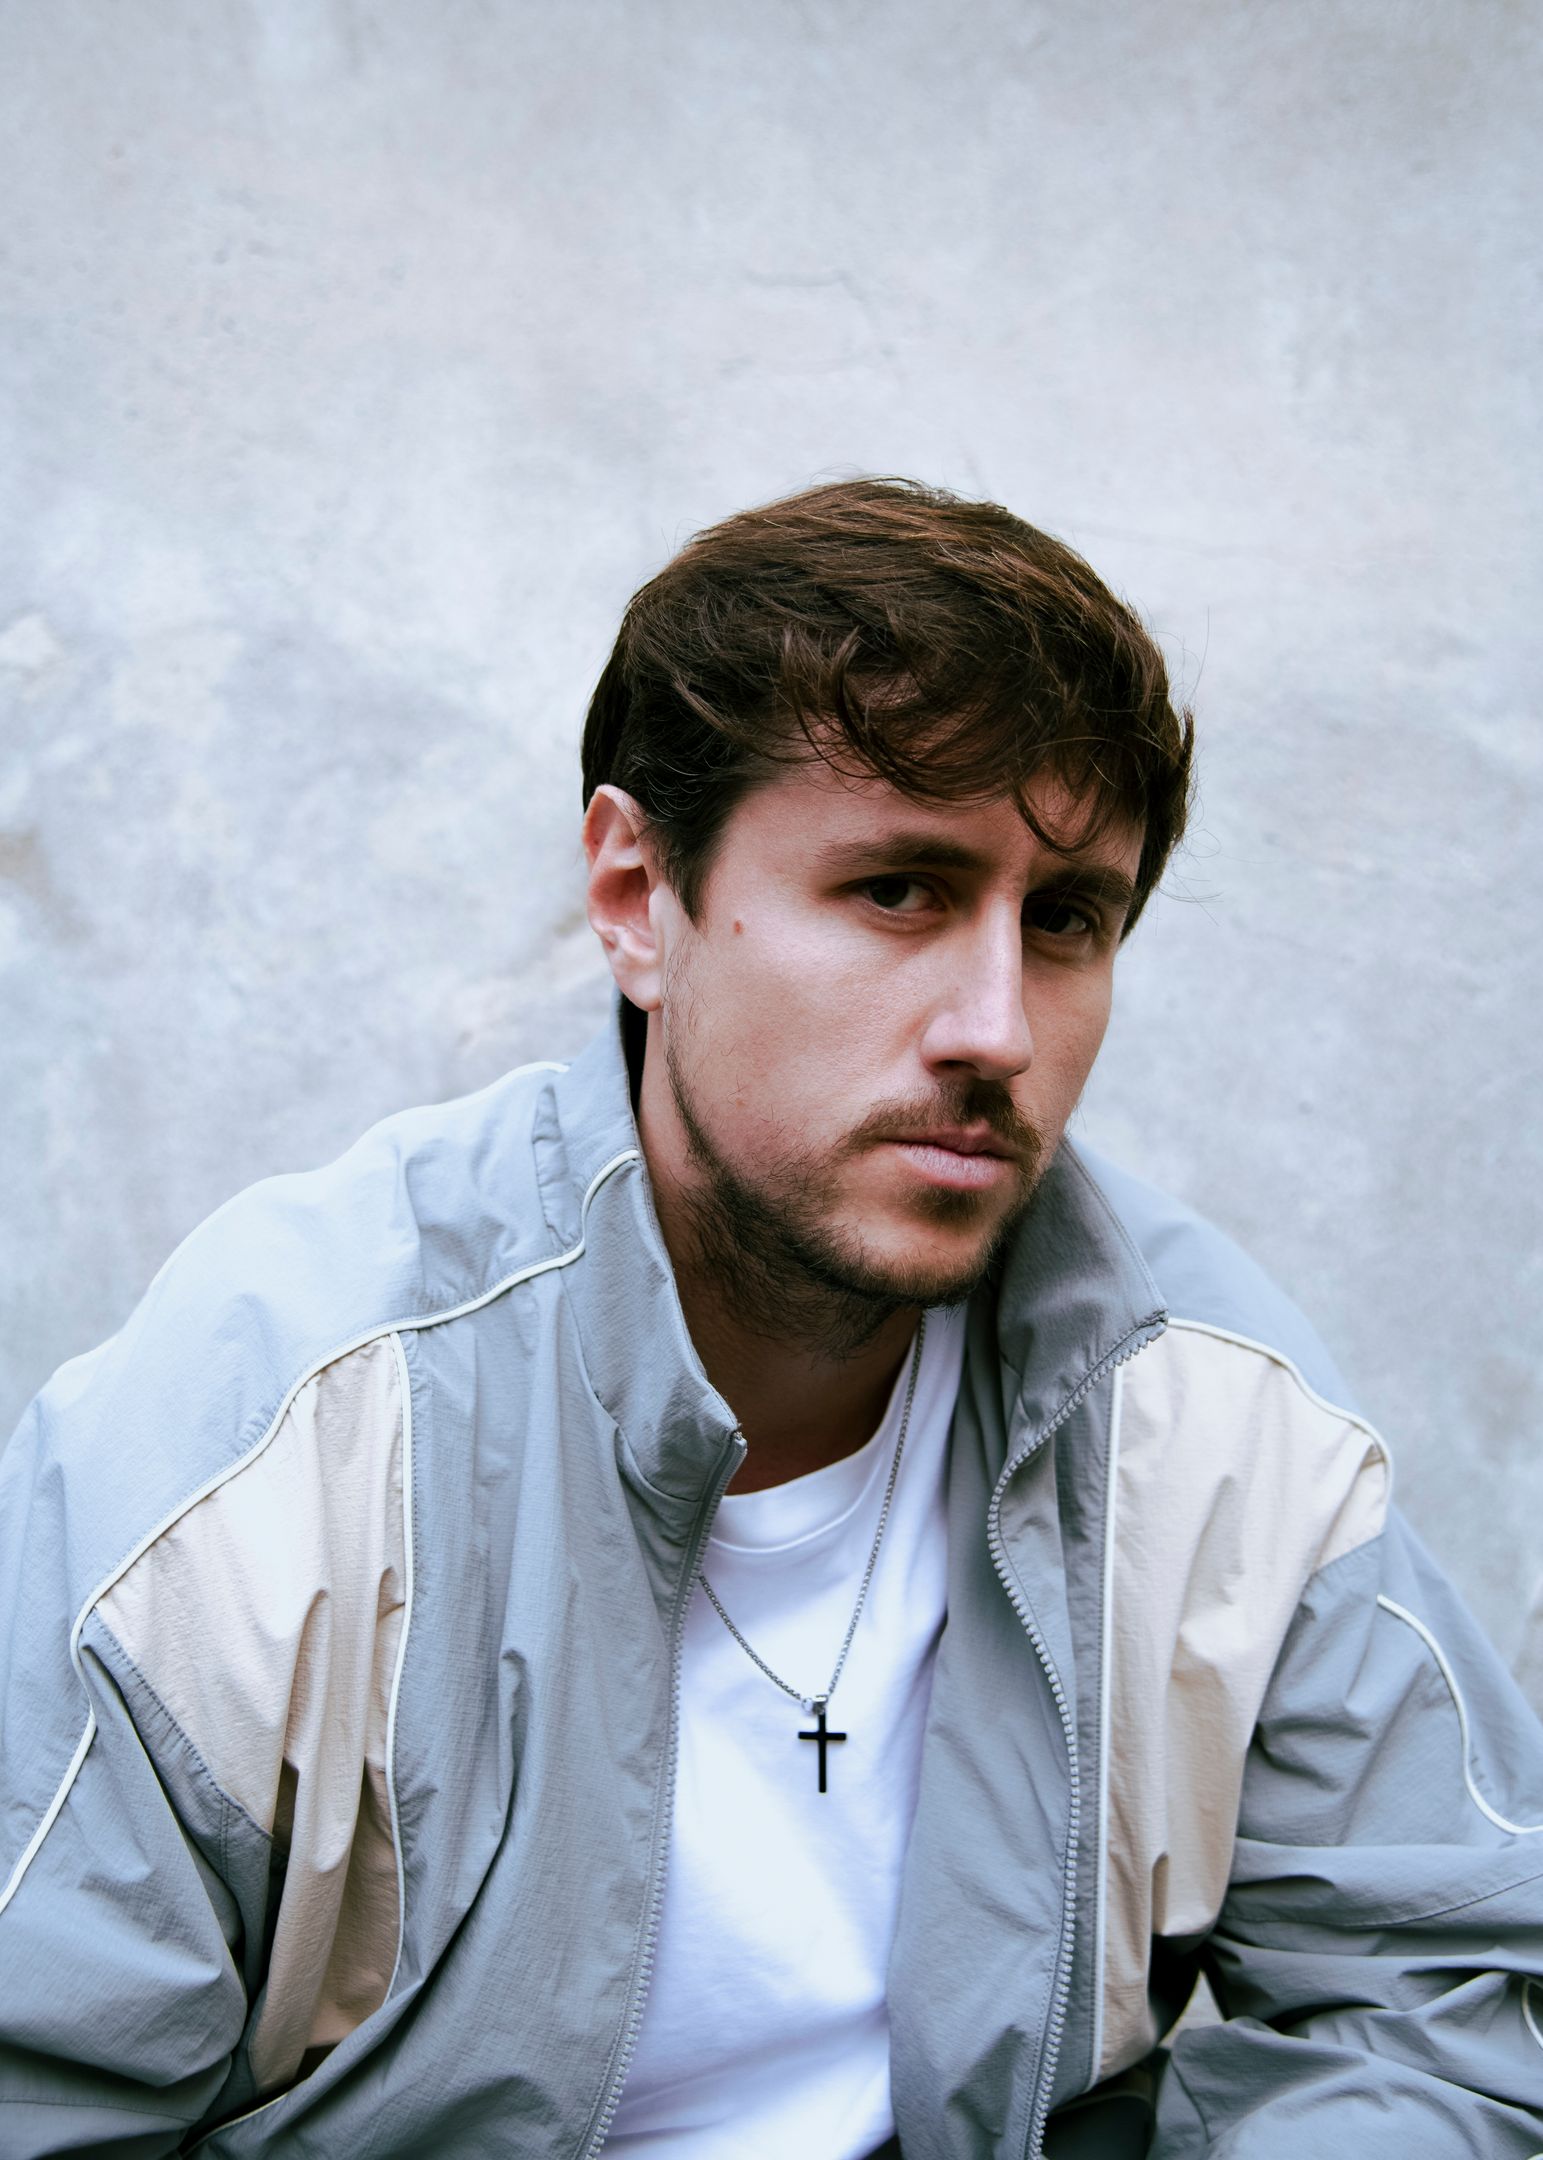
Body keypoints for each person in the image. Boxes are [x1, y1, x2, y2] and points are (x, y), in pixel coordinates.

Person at [1, 480, 1539, 2160]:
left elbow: (1449, 2014)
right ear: (634, 896)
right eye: (898, 889)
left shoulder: (1210, 1413)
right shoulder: (283, 1429)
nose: (996, 1028)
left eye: (1066, 919)